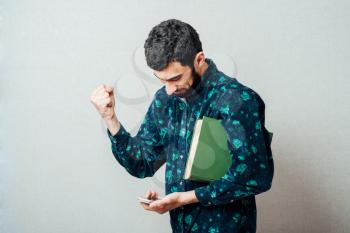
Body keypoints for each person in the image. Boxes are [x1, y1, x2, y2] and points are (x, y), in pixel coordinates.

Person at [90, 19, 274, 233]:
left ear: (199, 59)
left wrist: (184, 199)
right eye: (161, 80)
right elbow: (142, 164)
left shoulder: (237, 100)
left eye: (175, 78)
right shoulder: (165, 100)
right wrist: (110, 118)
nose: (168, 89)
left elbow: (255, 176)